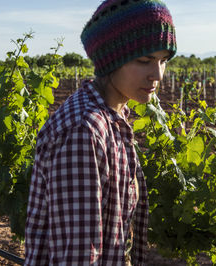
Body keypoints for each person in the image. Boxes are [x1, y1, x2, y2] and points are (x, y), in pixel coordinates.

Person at [24, 0, 177, 265]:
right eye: (145, 60)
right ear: (110, 60)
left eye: (163, 60)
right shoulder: (83, 132)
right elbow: (80, 258)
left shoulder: (113, 117)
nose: (158, 74)